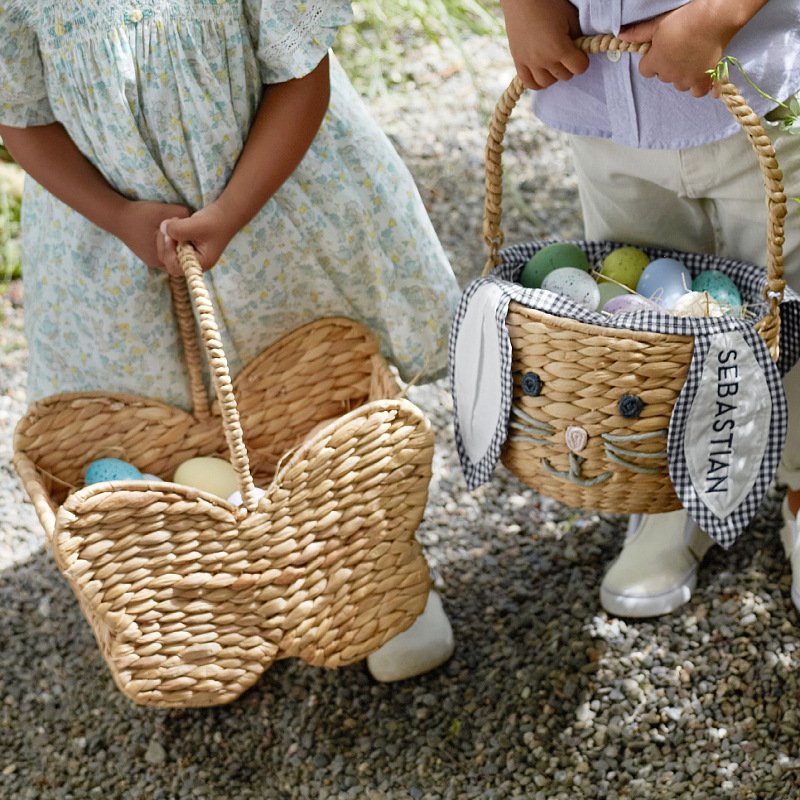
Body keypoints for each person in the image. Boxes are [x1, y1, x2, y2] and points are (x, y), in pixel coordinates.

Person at [0, 0, 457, 681]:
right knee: (151, 414)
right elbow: (22, 114)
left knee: (309, 382)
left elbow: (300, 74)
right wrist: (119, 215)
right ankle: (214, 594)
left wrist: (231, 211)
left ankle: (366, 571)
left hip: (270, 203)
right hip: (112, 234)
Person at [500, 0, 800, 616]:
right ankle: (675, 490)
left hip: (759, 81)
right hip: (603, 94)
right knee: (641, 324)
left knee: (786, 312)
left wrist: (722, 12)